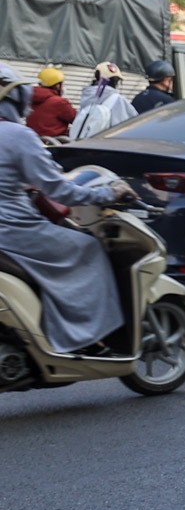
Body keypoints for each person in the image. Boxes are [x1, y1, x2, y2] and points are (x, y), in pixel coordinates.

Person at [0, 65, 135, 353]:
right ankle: (87, 338)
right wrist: (106, 193)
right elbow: (60, 190)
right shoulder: (17, 135)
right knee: (88, 248)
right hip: (14, 231)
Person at [69, 63, 136, 139]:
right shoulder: (118, 100)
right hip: (106, 146)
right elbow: (132, 125)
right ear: (116, 81)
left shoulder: (87, 96)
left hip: (83, 143)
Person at [26, 67, 77, 140]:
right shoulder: (59, 102)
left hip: (34, 141)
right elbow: (77, 120)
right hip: (56, 144)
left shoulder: (31, 98)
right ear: (57, 85)